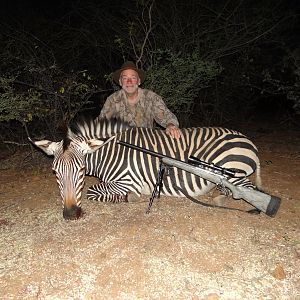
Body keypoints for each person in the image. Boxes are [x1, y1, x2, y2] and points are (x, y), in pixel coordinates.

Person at [99, 61, 181, 139]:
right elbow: (101, 122)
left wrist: (170, 125)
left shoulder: (151, 97)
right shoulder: (113, 99)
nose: (129, 82)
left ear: (139, 81)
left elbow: (167, 117)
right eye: (125, 78)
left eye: (133, 78)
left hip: (147, 141)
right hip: (123, 144)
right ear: (120, 82)